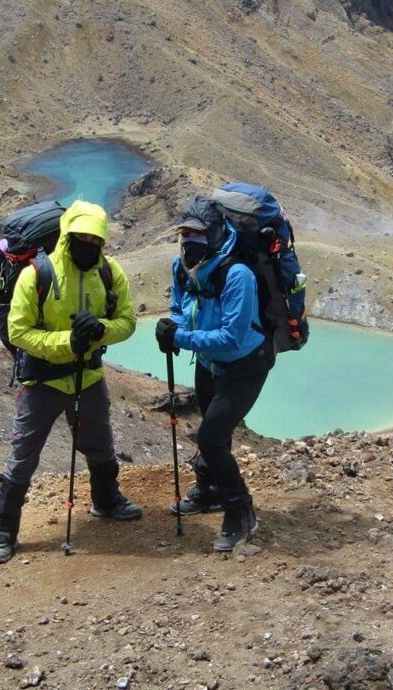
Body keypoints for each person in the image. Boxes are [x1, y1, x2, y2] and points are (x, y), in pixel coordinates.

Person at [0, 200, 139, 566]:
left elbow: (128, 320)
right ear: (67, 236)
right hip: (43, 380)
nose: (89, 244)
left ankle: (106, 501)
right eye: (81, 237)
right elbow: (18, 331)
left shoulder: (109, 271)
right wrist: (66, 341)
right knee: (23, 456)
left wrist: (100, 330)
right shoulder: (37, 274)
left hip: (88, 376)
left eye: (95, 239)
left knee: (100, 444)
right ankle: (4, 533)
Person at [155, 205, 274, 552]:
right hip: (208, 362)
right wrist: (172, 326)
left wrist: (180, 338)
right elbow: (179, 308)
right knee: (212, 433)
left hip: (246, 365)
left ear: (217, 235)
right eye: (184, 235)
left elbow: (232, 337)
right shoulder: (182, 266)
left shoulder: (238, 275)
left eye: (197, 234)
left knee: (211, 437)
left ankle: (241, 511)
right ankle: (209, 491)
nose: (188, 242)